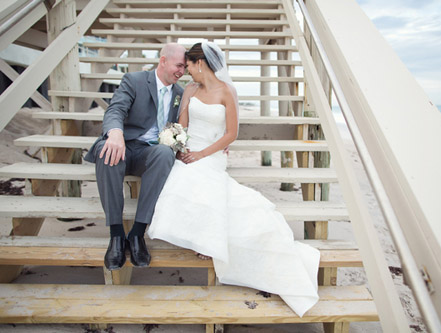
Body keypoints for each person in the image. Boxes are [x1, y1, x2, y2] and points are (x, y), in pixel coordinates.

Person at [147, 42, 320, 317]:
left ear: (199, 63)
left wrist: (203, 153)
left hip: (212, 152)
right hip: (191, 149)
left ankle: (207, 241)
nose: (186, 70)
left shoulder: (227, 91)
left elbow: (231, 134)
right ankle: (196, 236)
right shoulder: (190, 90)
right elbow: (182, 125)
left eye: (188, 65)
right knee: (182, 176)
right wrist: (180, 146)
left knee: (205, 179)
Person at [84, 43, 186, 270]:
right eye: (179, 65)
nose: (182, 71)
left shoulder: (181, 93)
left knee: (164, 152)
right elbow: (115, 109)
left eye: (185, 67)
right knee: (106, 152)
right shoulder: (135, 80)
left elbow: (187, 124)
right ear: (163, 61)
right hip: (125, 145)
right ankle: (117, 235)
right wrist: (115, 132)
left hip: (149, 153)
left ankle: (138, 233)